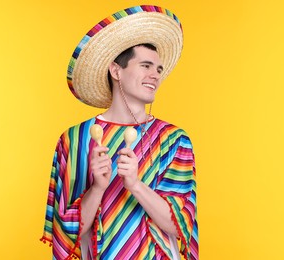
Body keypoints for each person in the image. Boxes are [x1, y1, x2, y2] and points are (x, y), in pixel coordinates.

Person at [40, 5, 198, 260]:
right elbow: (67, 233)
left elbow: (178, 225)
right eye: (146, 65)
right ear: (116, 71)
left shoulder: (173, 140)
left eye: (158, 69)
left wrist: (135, 185)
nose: (155, 75)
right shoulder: (75, 140)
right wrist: (98, 188)